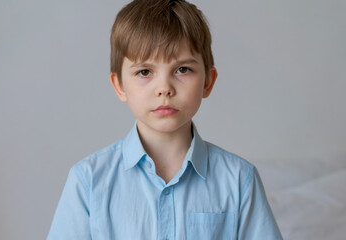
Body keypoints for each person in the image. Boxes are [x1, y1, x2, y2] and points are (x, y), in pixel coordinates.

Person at [47, 0, 283, 239]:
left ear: (208, 82)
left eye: (182, 70)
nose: (164, 88)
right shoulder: (88, 182)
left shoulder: (240, 180)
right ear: (119, 86)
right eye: (144, 72)